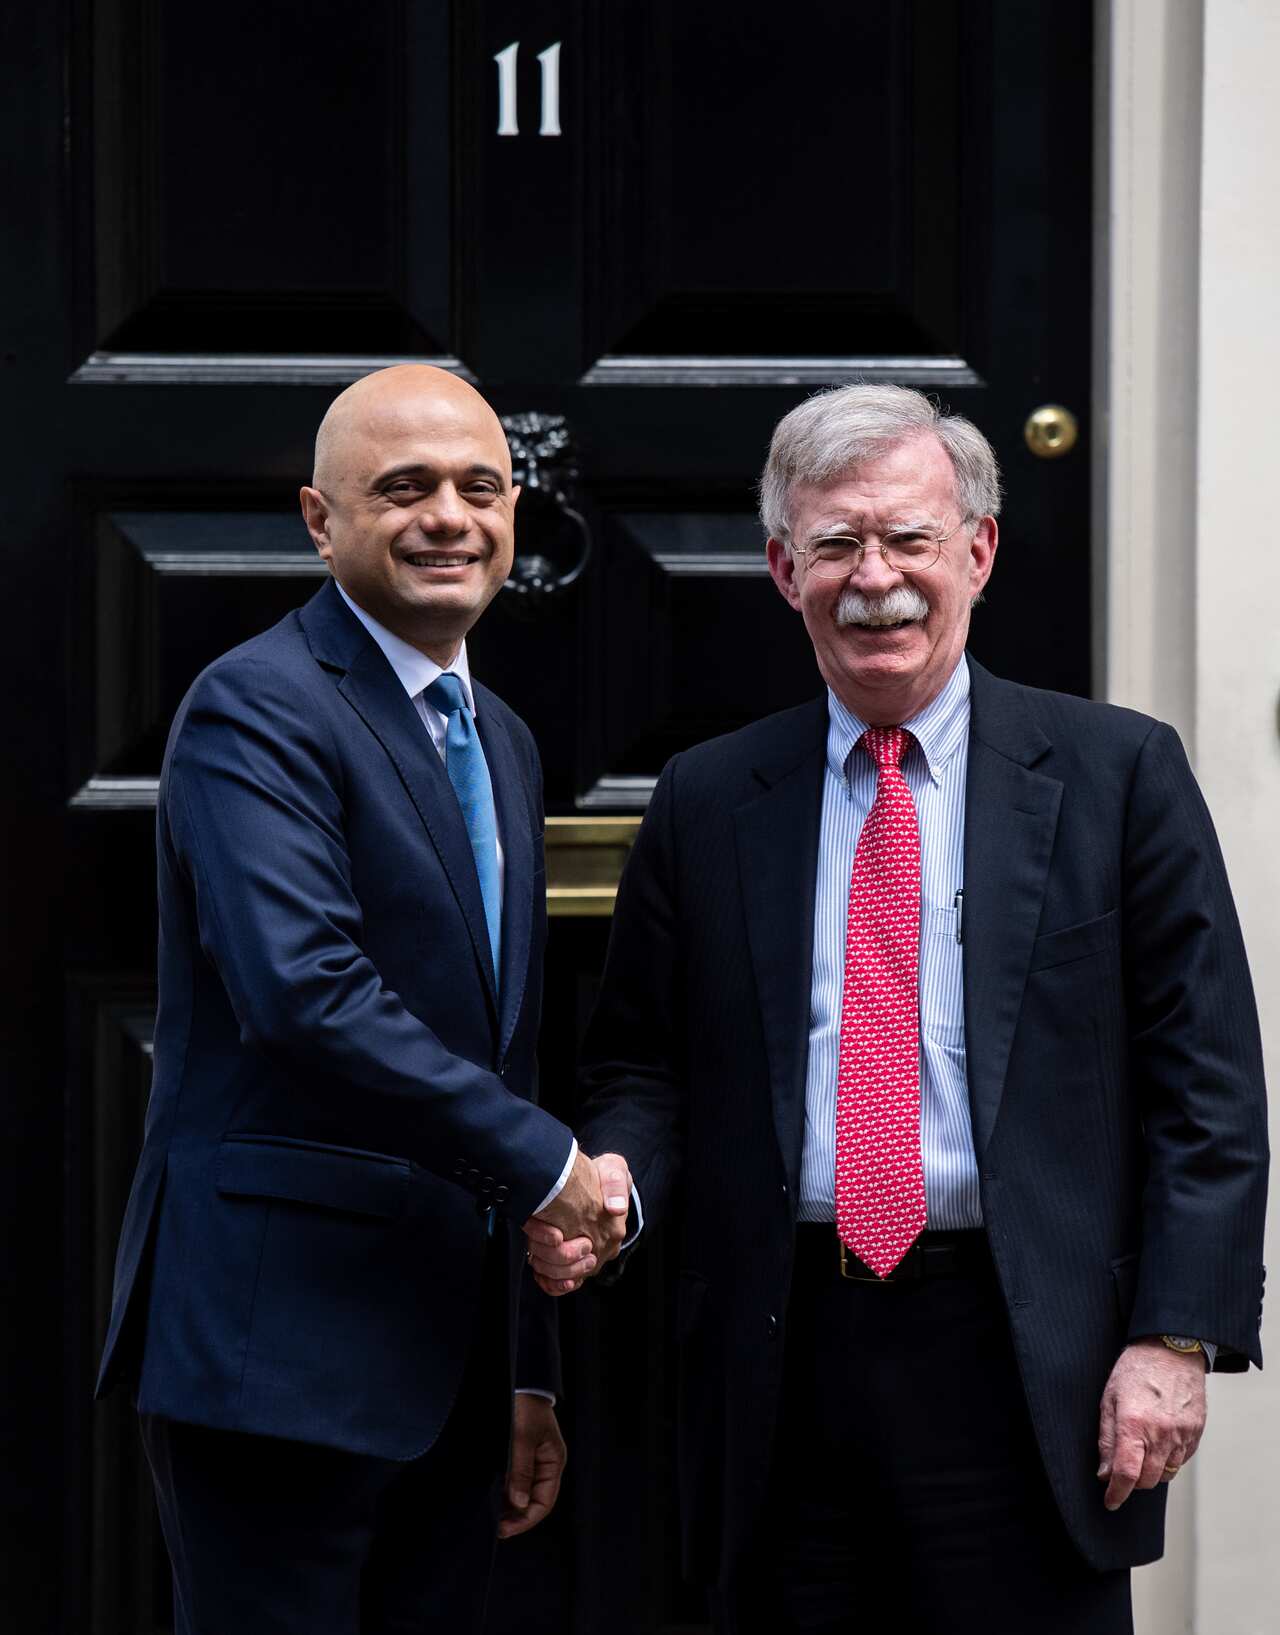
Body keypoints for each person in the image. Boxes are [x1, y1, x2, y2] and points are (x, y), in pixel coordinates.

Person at [528, 384, 1269, 1633]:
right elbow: (641, 1066)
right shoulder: (709, 800)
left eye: (909, 538)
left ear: (974, 552)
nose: (876, 579)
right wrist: (614, 1186)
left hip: (1029, 1359)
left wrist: (1175, 1338)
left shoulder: (1113, 775)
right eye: (834, 545)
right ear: (781, 569)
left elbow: (1203, 1079)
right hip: (780, 1354)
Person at [96, 364, 631, 1635]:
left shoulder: (496, 732)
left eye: (479, 488)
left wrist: (525, 1369)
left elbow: (496, 1055)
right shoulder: (256, 706)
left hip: (445, 1362)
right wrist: (554, 1165)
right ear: (317, 521)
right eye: (403, 489)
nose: (448, 516)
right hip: (276, 1349)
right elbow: (306, 994)